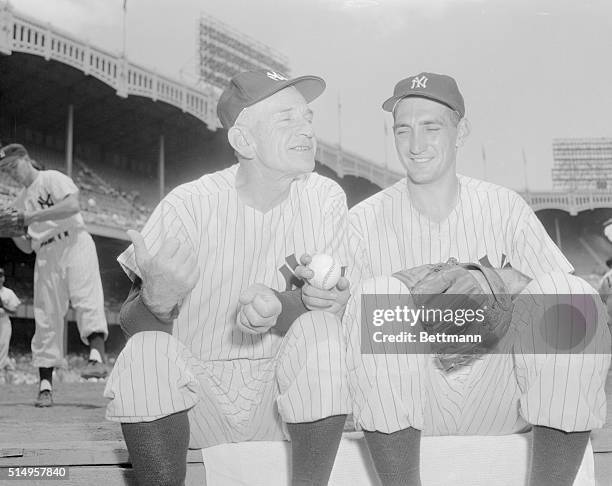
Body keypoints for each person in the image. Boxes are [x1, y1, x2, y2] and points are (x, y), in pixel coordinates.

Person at [343, 72, 611, 486]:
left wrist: (497, 281)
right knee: (379, 295)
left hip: (501, 392)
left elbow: (569, 302)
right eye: (403, 130)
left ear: (460, 130)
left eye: (431, 128)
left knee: (570, 296)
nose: (416, 145)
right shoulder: (361, 221)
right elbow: (344, 319)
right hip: (410, 402)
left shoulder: (504, 206)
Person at [103, 70, 353, 486]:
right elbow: (132, 322)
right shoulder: (189, 204)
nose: (306, 129)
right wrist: (156, 302)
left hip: (281, 407)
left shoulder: (324, 197)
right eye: (285, 119)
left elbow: (317, 304)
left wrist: (281, 305)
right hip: (195, 403)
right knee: (145, 351)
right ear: (244, 140)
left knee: (321, 332)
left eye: (306, 118)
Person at [0, 144, 109, 407]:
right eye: (6, 170)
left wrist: (29, 216)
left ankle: (96, 357)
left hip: (74, 241)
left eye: (13, 166)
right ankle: (45, 385)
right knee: (46, 316)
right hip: (45, 253)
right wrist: (14, 231)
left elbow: (72, 205)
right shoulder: (18, 202)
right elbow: (27, 246)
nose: (11, 173)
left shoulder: (52, 178)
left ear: (26, 159)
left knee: (86, 298)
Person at [0, 267, 21, 373]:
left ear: (3, 278)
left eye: (0, 276)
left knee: (3, 345)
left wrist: (3, 305)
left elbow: (14, 311)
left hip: (3, 322)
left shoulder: (8, 293)